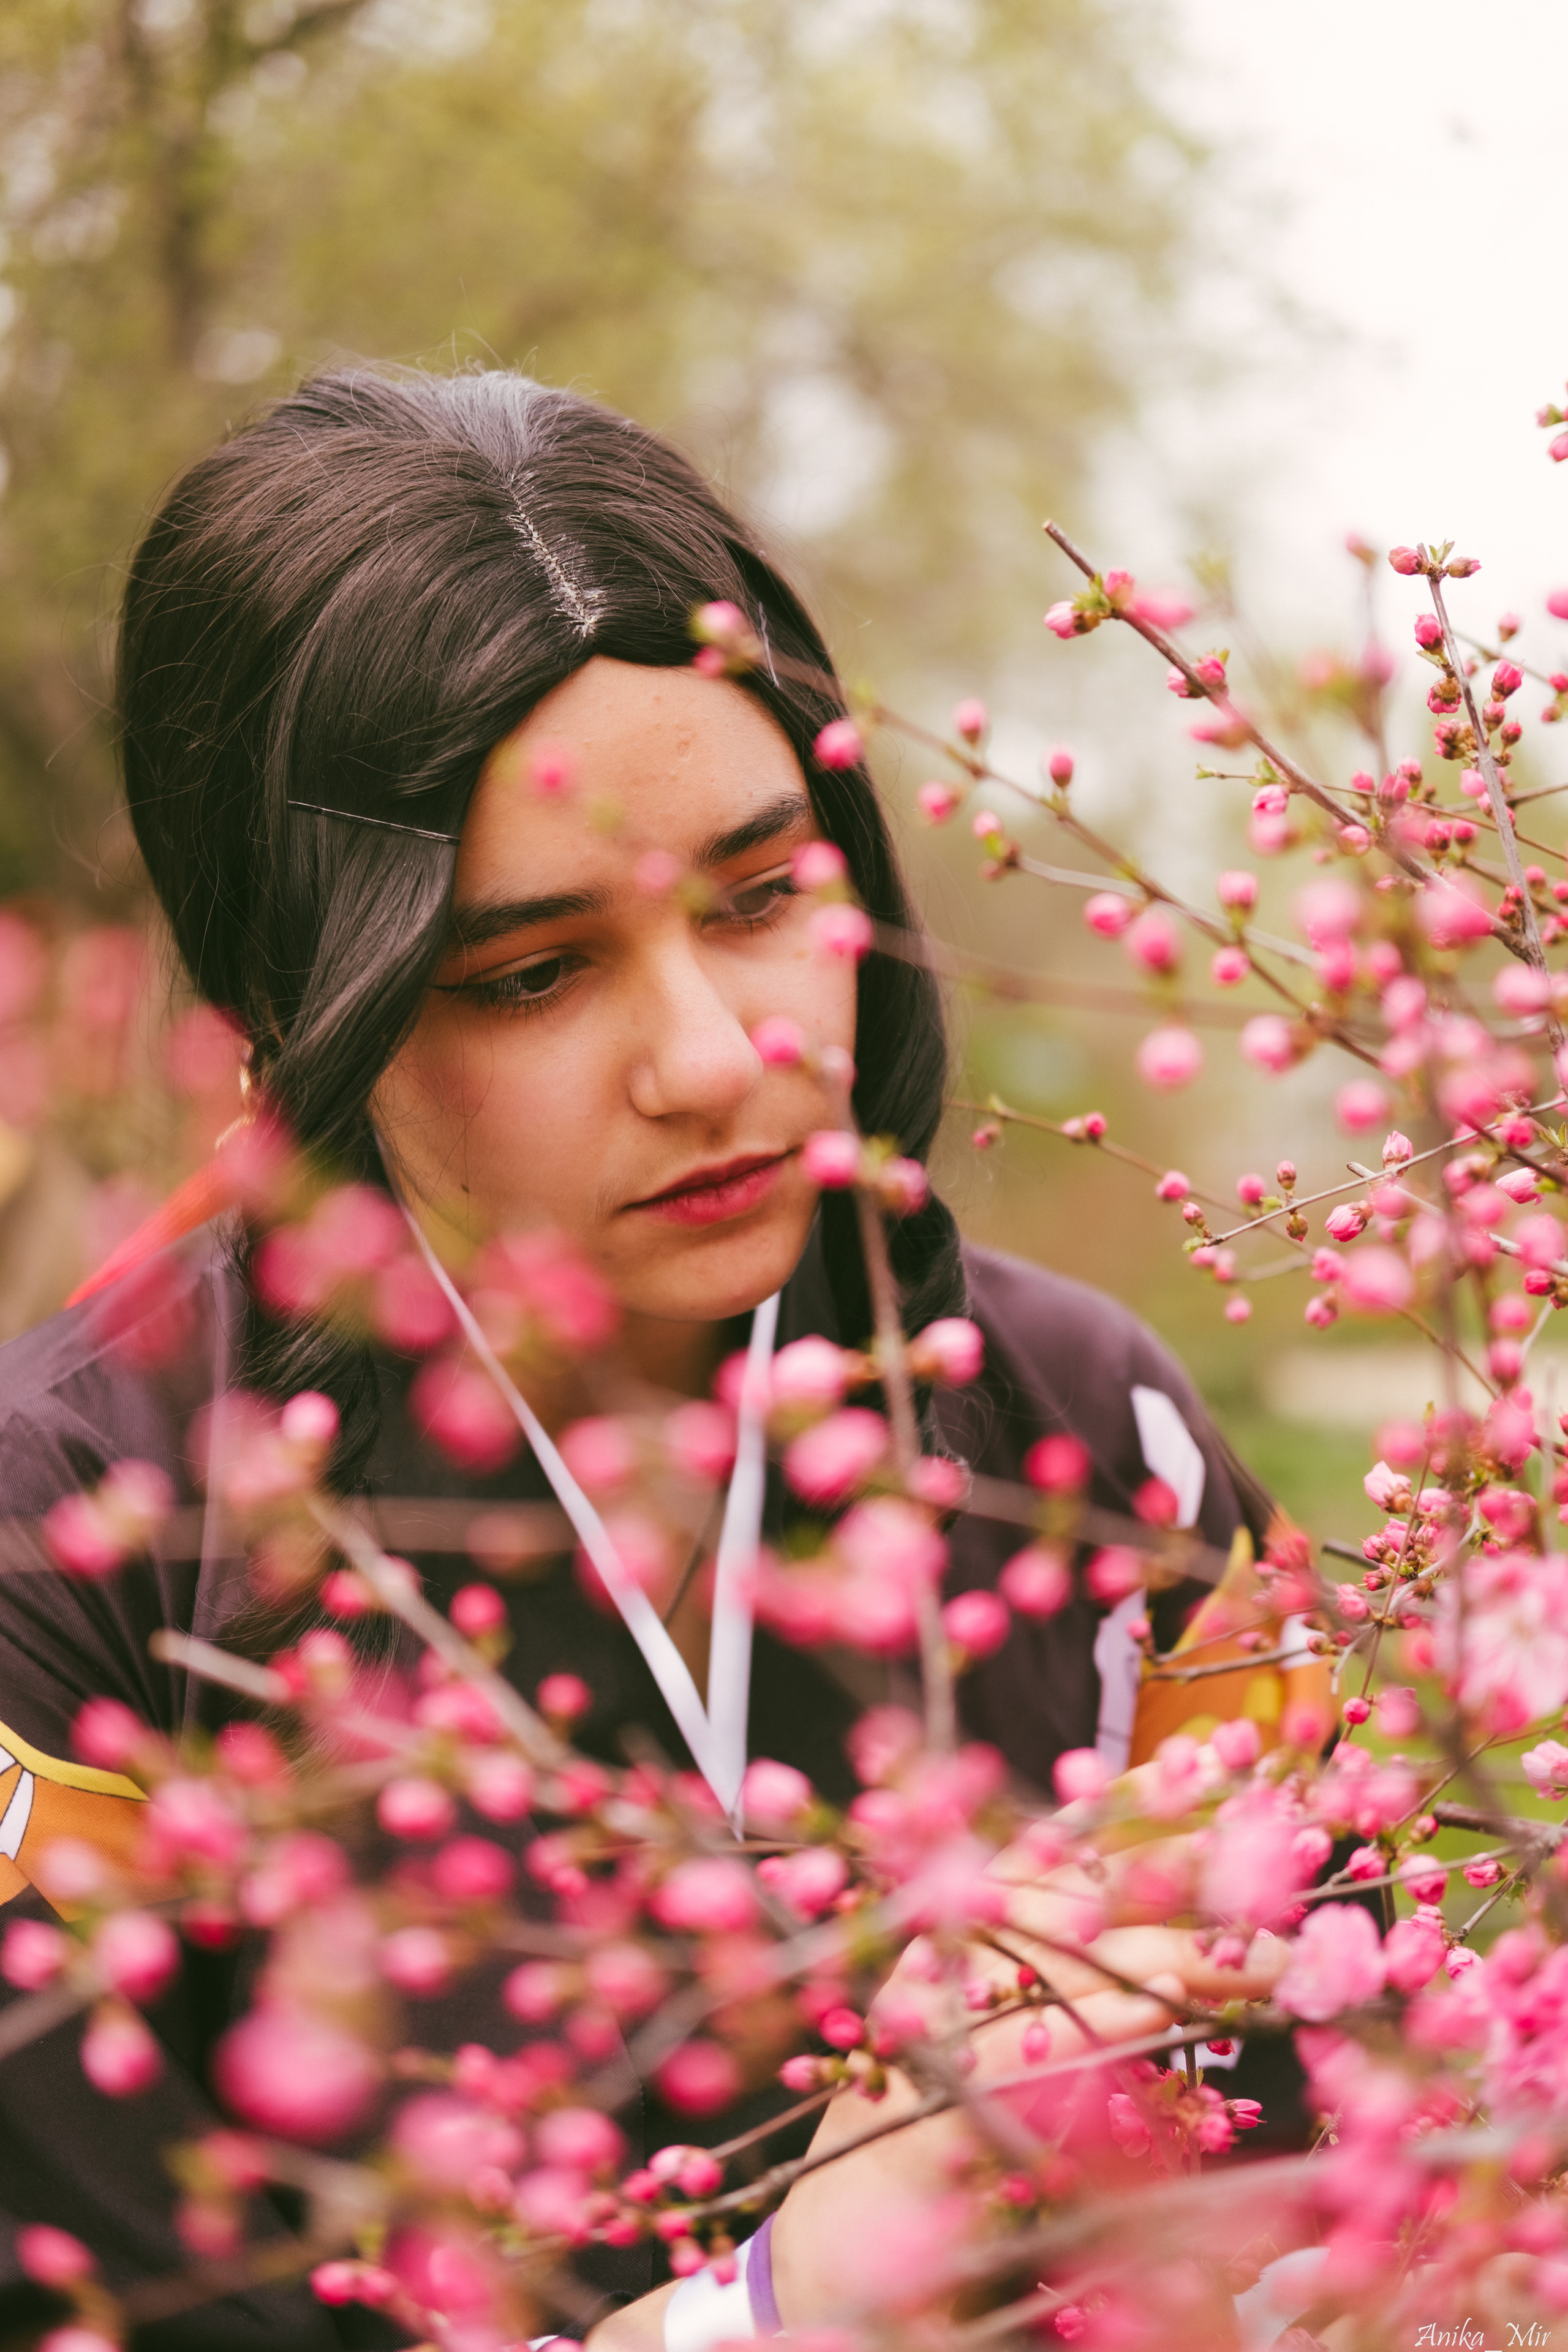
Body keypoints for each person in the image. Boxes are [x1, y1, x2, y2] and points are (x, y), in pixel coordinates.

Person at [0, 369, 1280, 2349]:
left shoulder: (1089, 1436)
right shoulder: (72, 1563)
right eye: (533, 972)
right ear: (286, 1010)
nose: (715, 1056)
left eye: (767, 895)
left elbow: (1325, 2167)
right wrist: (771, 2313)